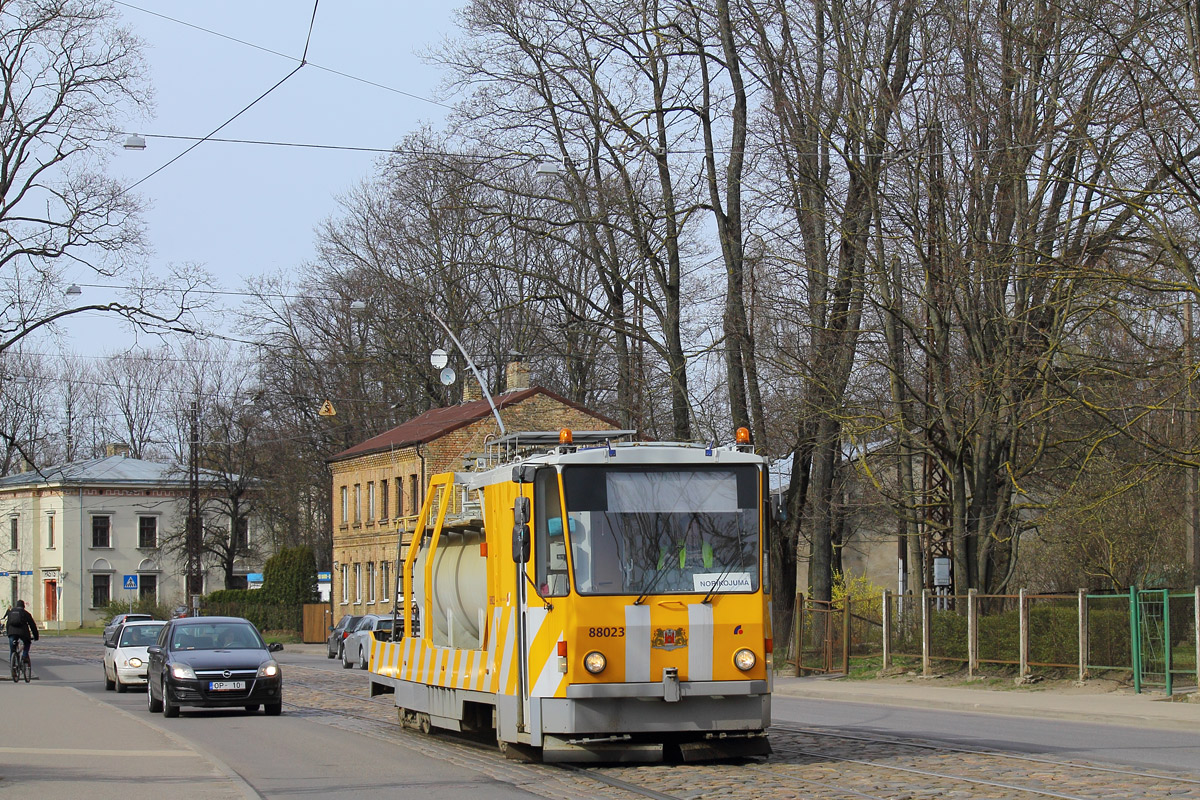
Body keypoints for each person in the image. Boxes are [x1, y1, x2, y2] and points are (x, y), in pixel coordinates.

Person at [4, 599, 39, 666]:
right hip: (23, 632)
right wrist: (36, 636)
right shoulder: (26, 613)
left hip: (12, 632)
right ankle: (25, 656)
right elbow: (32, 625)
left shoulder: (11, 612)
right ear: (23, 606)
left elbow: (7, 624)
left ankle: (12, 664)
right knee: (27, 642)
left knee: (12, 649)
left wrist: (8, 634)